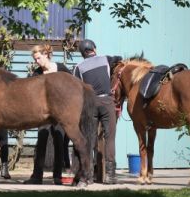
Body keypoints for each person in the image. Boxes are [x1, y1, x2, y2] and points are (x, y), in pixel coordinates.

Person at [72, 39, 121, 184]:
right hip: (107, 102)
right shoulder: (106, 59)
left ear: (82, 53)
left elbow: (76, 88)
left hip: (90, 104)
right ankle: (110, 176)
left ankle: (88, 176)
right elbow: (119, 59)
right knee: (109, 138)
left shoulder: (78, 67)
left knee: (89, 139)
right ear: (94, 48)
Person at [23, 44, 71, 185]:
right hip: (43, 114)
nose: (37, 61)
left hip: (60, 112)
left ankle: (57, 177)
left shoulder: (61, 69)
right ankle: (37, 176)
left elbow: (72, 87)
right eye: (35, 59)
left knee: (59, 140)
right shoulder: (37, 74)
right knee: (42, 139)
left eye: (38, 58)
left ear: (46, 54)